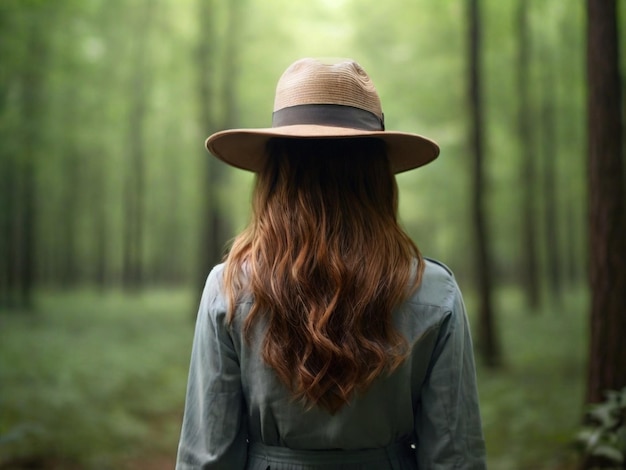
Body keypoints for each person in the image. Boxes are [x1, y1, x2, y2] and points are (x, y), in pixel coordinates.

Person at [175, 57, 486, 469]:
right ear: (378, 174)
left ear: (274, 174)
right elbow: (454, 456)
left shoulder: (230, 286)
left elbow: (207, 456)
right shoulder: (433, 289)